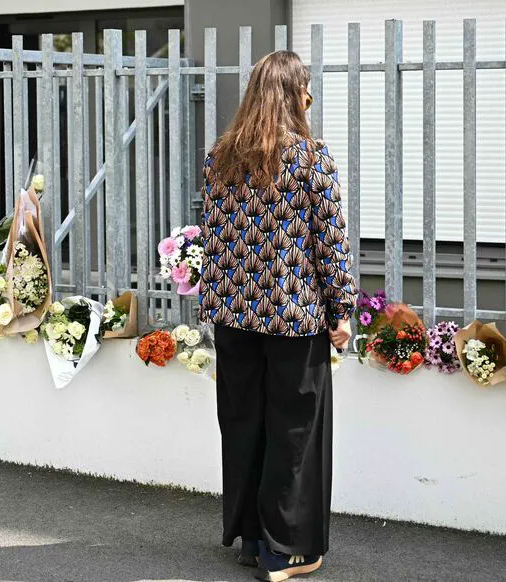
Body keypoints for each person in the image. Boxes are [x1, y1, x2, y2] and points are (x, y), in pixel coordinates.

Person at [199, 50, 358, 582]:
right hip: (293, 319)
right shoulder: (312, 160)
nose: (311, 98)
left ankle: (250, 539)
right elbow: (330, 245)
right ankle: (284, 551)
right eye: (306, 89)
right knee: (295, 433)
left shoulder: (219, 158)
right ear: (294, 95)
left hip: (234, 317)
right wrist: (342, 311)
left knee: (244, 425)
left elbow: (216, 240)